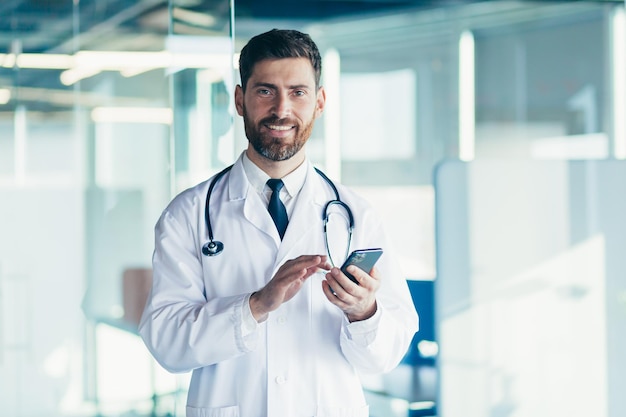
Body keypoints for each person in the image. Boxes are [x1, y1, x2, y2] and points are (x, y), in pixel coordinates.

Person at [139, 28, 419, 417]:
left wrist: (364, 312)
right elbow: (166, 341)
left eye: (298, 92)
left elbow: (386, 356)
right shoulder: (187, 214)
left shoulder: (357, 214)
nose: (282, 109)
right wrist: (254, 306)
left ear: (319, 102)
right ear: (240, 100)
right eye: (266, 91)